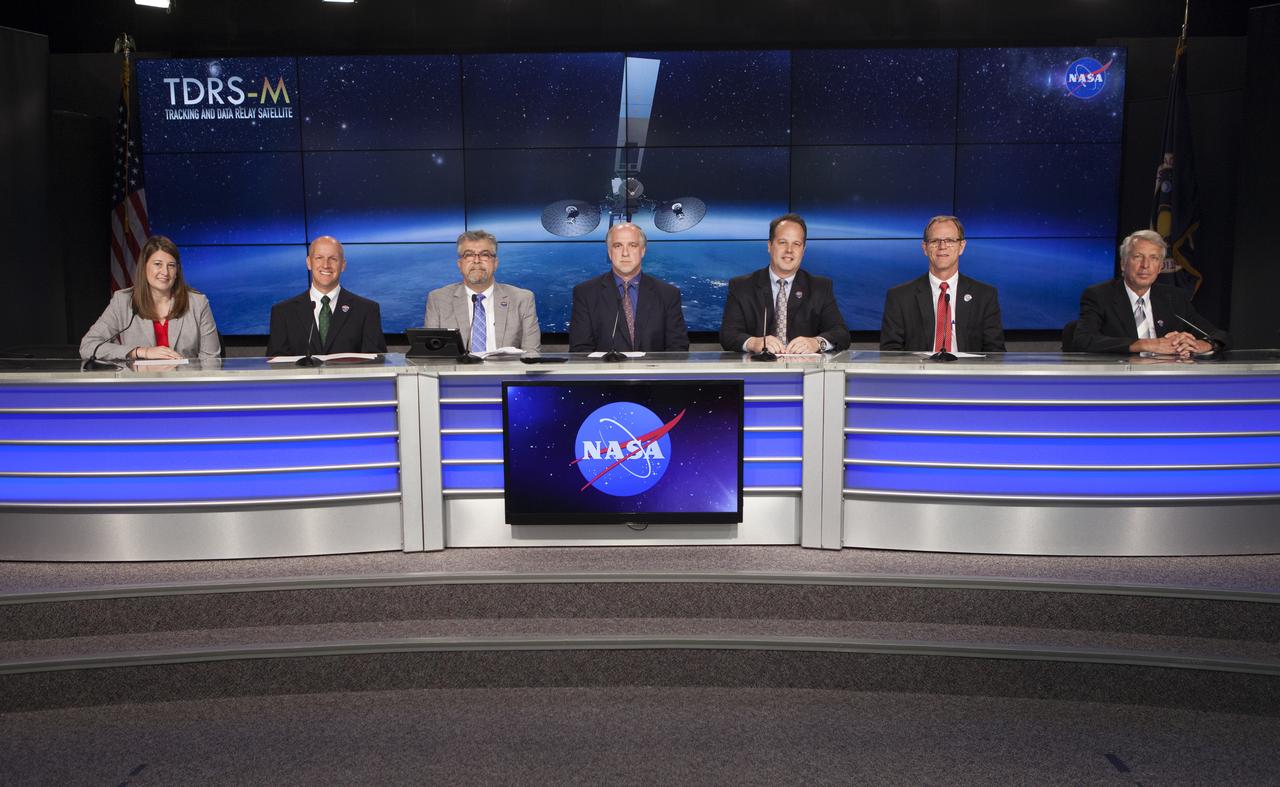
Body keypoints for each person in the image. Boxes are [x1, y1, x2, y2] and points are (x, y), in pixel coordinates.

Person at [1070, 229, 1228, 356]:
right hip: (1121, 379)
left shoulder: (1173, 298)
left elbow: (1219, 335)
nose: (1145, 265)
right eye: (1138, 257)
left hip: (1167, 379)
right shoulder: (1099, 295)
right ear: (1123, 264)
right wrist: (1144, 344)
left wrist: (1201, 345)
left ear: (1160, 267)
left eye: (1154, 258)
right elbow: (1083, 340)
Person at [719, 213, 850, 354]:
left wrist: (816, 342)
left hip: (805, 372)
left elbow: (841, 334)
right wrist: (754, 343)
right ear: (769, 246)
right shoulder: (741, 287)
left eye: (796, 244)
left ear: (803, 250)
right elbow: (728, 335)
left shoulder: (820, 287)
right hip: (757, 371)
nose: (789, 250)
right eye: (782, 242)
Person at [79, 235, 221, 361]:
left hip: (185, 387)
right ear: (144, 267)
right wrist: (140, 351)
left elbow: (211, 360)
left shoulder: (197, 303)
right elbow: (88, 346)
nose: (165, 272)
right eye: (157, 264)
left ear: (177, 271)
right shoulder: (123, 302)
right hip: (139, 387)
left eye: (171, 266)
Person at [879, 215, 1005, 353]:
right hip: (919, 373)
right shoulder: (899, 297)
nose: (942, 246)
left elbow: (995, 354)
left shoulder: (985, 296)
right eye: (935, 241)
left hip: (967, 373)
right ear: (925, 248)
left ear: (961, 246)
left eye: (950, 240)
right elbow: (890, 354)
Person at [568, 222, 689, 353]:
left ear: (642, 251)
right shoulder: (585, 293)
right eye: (618, 246)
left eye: (633, 245)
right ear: (609, 252)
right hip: (604, 373)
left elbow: (678, 349)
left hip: (653, 372)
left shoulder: (668, 294)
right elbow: (580, 352)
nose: (625, 253)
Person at [266, 236, 387, 356]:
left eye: (333, 259)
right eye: (319, 258)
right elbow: (276, 366)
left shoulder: (366, 310)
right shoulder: (283, 312)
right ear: (309, 263)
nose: (325, 265)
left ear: (343, 265)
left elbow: (377, 362)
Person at [424, 230, 540, 352]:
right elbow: (433, 354)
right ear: (460, 264)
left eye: (485, 254)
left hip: (508, 371)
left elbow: (531, 354)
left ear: (495, 263)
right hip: (457, 371)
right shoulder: (438, 299)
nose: (477, 261)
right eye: (469, 255)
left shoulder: (522, 299)